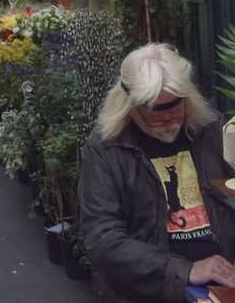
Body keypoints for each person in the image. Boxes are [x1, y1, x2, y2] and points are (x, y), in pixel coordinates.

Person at [78, 42, 235, 302]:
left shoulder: (208, 129)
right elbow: (102, 239)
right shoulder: (107, 149)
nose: (170, 125)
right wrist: (185, 271)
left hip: (223, 280)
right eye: (157, 119)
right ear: (129, 107)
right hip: (153, 291)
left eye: (176, 115)